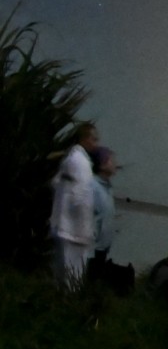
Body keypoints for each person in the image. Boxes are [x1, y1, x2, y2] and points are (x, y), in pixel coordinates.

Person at [46, 122, 98, 289]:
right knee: (72, 276)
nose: (95, 143)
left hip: (65, 225)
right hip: (75, 230)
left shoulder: (71, 158)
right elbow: (82, 196)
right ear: (84, 138)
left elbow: (55, 184)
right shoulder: (80, 162)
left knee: (61, 272)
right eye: (93, 139)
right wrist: (87, 227)